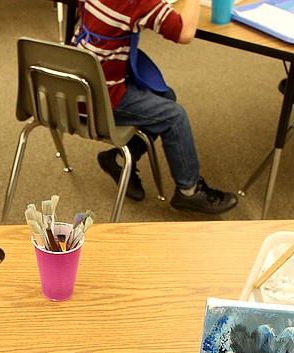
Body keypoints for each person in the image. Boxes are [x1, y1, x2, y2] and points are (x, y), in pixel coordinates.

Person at [74, 0, 238, 214]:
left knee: (165, 97)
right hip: (98, 98)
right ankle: (189, 191)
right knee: (174, 116)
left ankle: (119, 160)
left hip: (74, 83)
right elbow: (184, 33)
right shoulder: (137, 3)